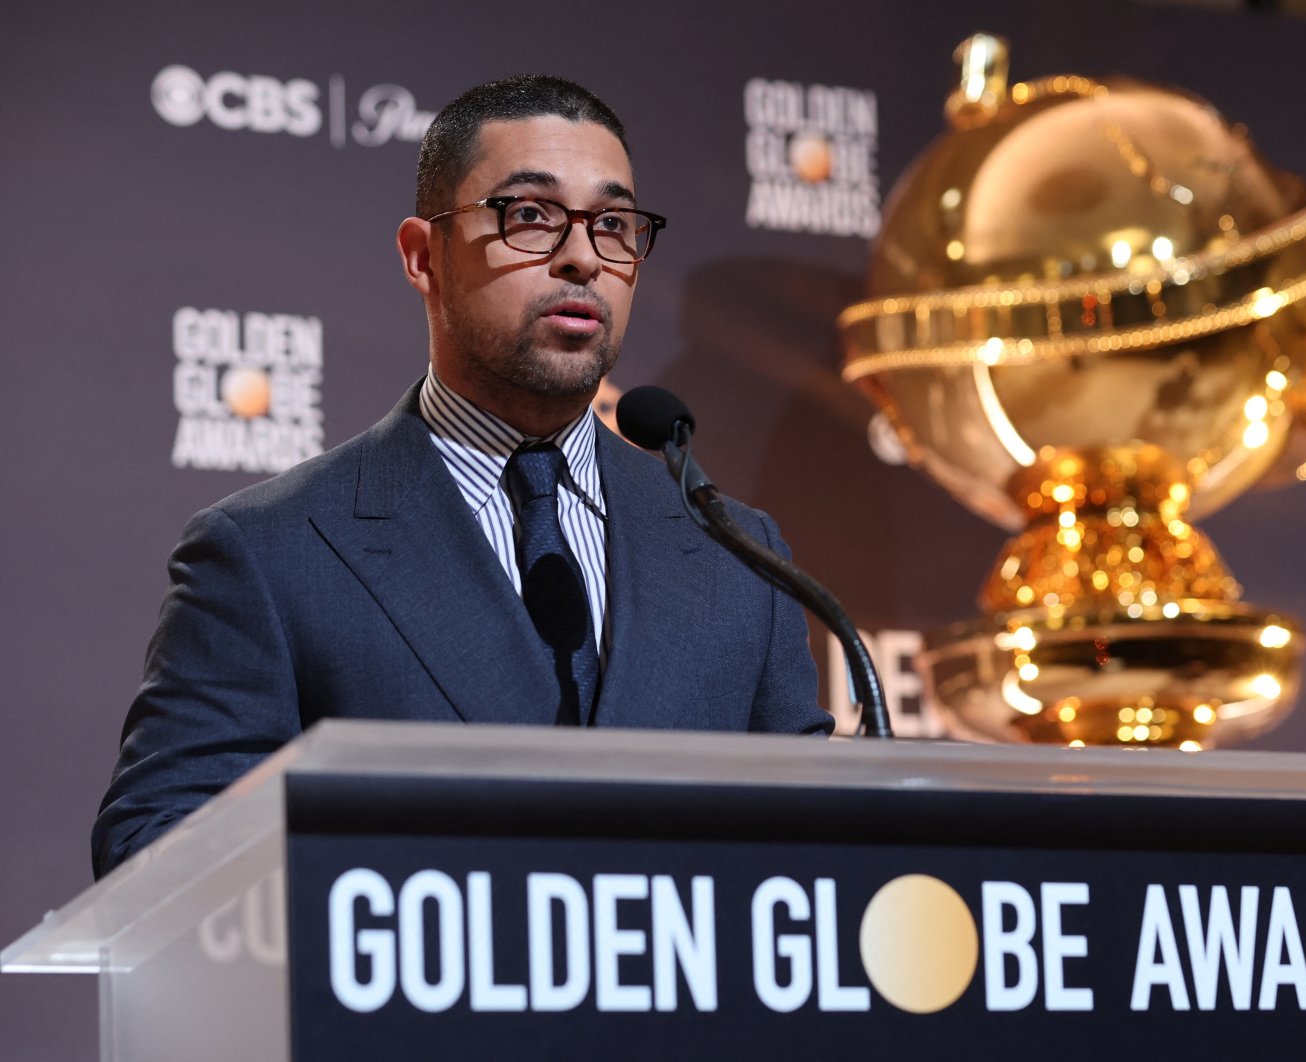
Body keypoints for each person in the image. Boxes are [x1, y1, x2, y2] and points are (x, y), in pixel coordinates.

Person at [91, 75, 831, 879]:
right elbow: (154, 851)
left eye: (614, 224)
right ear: (422, 256)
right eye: (531, 216)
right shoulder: (271, 552)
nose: (582, 256)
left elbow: (824, 848)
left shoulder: (736, 555)